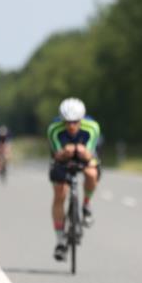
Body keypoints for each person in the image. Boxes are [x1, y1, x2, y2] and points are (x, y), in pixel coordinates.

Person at [47, 98, 102, 260]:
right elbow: (57, 154)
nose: (71, 126)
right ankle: (60, 240)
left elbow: (90, 154)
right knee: (60, 193)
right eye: (68, 122)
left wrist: (79, 149)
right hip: (62, 158)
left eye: (75, 122)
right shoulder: (53, 129)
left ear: (81, 120)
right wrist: (65, 152)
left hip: (84, 155)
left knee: (91, 174)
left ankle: (86, 205)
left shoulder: (92, 127)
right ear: (62, 120)